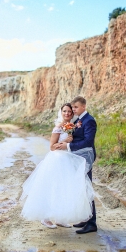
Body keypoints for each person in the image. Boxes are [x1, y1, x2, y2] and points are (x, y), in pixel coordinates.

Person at [20, 101, 95, 231]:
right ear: (61, 112)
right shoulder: (58, 127)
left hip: (68, 160)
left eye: (70, 111)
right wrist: (66, 141)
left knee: (64, 189)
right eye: (65, 111)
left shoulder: (72, 126)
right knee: (52, 188)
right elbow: (52, 147)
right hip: (57, 160)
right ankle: (46, 218)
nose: (67, 113)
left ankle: (60, 219)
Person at [55, 96, 97, 234]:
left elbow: (88, 142)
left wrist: (68, 146)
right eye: (72, 108)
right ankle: (86, 218)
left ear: (84, 106)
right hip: (78, 157)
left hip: (85, 157)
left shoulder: (89, 121)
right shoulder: (79, 120)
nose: (73, 110)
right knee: (81, 188)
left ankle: (92, 223)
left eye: (76, 107)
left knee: (86, 188)